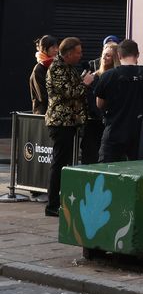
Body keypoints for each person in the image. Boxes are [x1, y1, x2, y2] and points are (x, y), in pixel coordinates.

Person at [44, 37, 94, 217]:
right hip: (60, 122)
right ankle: (52, 205)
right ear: (69, 53)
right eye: (78, 52)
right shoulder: (57, 68)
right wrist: (86, 83)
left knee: (63, 163)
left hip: (69, 122)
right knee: (58, 164)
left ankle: (60, 201)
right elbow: (70, 93)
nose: (81, 56)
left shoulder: (67, 68)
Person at [93, 39, 143, 162]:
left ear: (118, 55)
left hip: (114, 130)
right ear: (137, 54)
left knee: (106, 170)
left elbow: (99, 104)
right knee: (138, 171)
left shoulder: (108, 76)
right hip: (140, 132)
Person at [82, 41, 120, 163]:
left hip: (111, 123)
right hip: (94, 124)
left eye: (108, 55)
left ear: (115, 58)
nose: (104, 57)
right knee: (90, 156)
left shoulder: (118, 76)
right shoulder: (94, 76)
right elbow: (89, 101)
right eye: (103, 54)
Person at [29, 34, 58, 115]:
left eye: (57, 47)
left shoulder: (56, 65)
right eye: (53, 47)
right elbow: (42, 96)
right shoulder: (39, 69)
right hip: (43, 113)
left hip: (55, 112)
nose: (56, 50)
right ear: (45, 49)